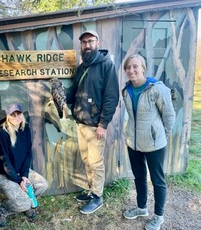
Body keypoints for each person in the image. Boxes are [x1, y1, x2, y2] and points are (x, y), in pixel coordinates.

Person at [65, 30, 119, 214]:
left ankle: (98, 196)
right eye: (84, 42)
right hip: (81, 123)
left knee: (96, 162)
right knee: (87, 160)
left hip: (96, 126)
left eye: (90, 41)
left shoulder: (107, 66)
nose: (87, 45)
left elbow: (111, 97)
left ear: (97, 42)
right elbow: (73, 93)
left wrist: (103, 124)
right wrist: (59, 94)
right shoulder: (81, 67)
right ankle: (91, 190)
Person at [122, 54, 175, 230]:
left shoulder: (157, 88)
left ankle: (158, 216)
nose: (131, 70)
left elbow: (169, 115)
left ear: (143, 68)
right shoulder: (126, 90)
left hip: (154, 144)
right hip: (134, 143)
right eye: (128, 67)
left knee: (157, 180)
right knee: (139, 177)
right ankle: (141, 208)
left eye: (135, 66)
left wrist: (161, 136)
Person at [0, 103, 48, 227]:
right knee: (23, 202)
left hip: (20, 172)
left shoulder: (26, 129)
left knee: (42, 185)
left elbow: (28, 153)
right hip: (5, 175)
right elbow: (5, 162)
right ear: (8, 116)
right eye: (13, 114)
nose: (16, 117)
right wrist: (19, 181)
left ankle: (25, 203)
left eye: (18, 113)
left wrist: (24, 175)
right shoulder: (2, 135)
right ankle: (1, 210)